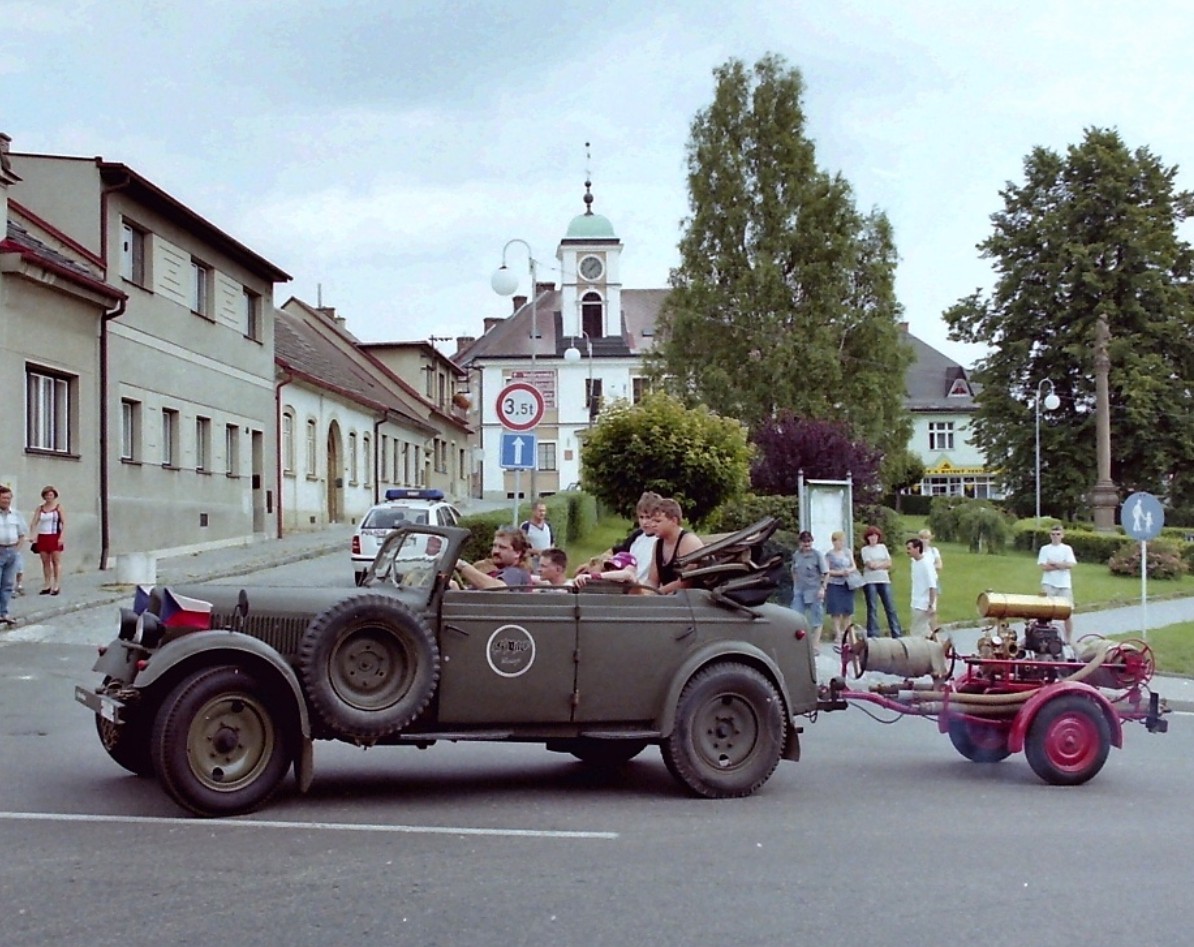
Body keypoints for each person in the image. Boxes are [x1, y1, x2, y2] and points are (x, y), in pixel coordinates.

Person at [648, 498, 704, 593]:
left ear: (673, 521)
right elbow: (652, 581)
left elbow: (685, 582)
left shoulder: (688, 541)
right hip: (669, 598)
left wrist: (657, 593)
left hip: (693, 597)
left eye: (658, 521)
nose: (652, 525)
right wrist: (644, 593)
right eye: (652, 521)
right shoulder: (658, 544)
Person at [860, 525, 902, 639]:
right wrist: (881, 564)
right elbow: (870, 565)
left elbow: (889, 563)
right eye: (871, 536)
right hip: (870, 580)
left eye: (875, 536)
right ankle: (873, 633)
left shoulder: (882, 547)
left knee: (890, 606)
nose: (873, 538)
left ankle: (896, 632)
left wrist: (878, 565)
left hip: (884, 579)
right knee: (872, 607)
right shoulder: (865, 550)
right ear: (867, 538)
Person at [610, 491, 662, 584]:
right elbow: (615, 551)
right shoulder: (638, 535)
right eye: (641, 517)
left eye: (648, 517)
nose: (644, 522)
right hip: (627, 582)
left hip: (645, 587)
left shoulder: (661, 540)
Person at [456, 527, 533, 589]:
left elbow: (499, 589)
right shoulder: (498, 573)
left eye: (502, 547)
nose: (496, 551)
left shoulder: (516, 573)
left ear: (517, 553)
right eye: (494, 546)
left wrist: (462, 566)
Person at [1038, 523, 1077, 644]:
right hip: (1048, 583)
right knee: (1046, 612)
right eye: (1053, 534)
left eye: (1058, 534)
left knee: (1067, 613)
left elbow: (1070, 564)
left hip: (1064, 584)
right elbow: (1044, 567)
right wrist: (1061, 565)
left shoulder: (1067, 549)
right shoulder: (1045, 549)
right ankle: (1046, 638)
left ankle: (1068, 639)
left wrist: (1053, 563)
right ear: (1050, 535)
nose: (1055, 537)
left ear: (1062, 535)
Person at [790, 531, 828, 653]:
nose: (807, 544)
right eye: (804, 542)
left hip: (814, 590)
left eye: (809, 541)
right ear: (800, 542)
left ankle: (815, 646)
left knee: (816, 619)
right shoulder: (796, 555)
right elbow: (793, 571)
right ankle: (799, 644)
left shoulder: (817, 555)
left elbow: (826, 573)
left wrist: (823, 588)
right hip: (799, 591)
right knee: (795, 617)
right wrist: (795, 585)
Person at [0, 486, 29, 626]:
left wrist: (16, 551)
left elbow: (22, 534)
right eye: (3, 498)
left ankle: (3, 613)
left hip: (12, 551)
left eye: (8, 498)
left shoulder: (16, 514)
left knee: (7, 584)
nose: (6, 500)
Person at [823, 530, 859, 645]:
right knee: (836, 611)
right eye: (839, 541)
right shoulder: (829, 555)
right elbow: (827, 570)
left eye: (842, 541)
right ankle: (838, 634)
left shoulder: (847, 552)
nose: (841, 543)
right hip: (834, 584)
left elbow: (853, 565)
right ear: (834, 542)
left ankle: (847, 634)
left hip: (847, 583)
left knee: (847, 611)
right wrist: (839, 573)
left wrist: (849, 570)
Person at [32, 485, 65, 596]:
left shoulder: (58, 508)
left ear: (54, 496)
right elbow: (34, 522)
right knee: (45, 561)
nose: (49, 497)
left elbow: (64, 523)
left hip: (54, 535)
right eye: (47, 495)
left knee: (56, 561)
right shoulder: (40, 508)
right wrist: (33, 535)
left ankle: (56, 584)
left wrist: (62, 537)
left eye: (51, 495)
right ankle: (47, 584)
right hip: (43, 536)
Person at [905, 537, 939, 637]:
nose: (907, 551)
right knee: (923, 630)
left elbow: (932, 586)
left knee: (917, 632)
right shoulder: (914, 562)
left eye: (909, 548)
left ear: (917, 549)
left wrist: (931, 605)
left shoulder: (926, 565)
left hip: (923, 604)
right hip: (915, 602)